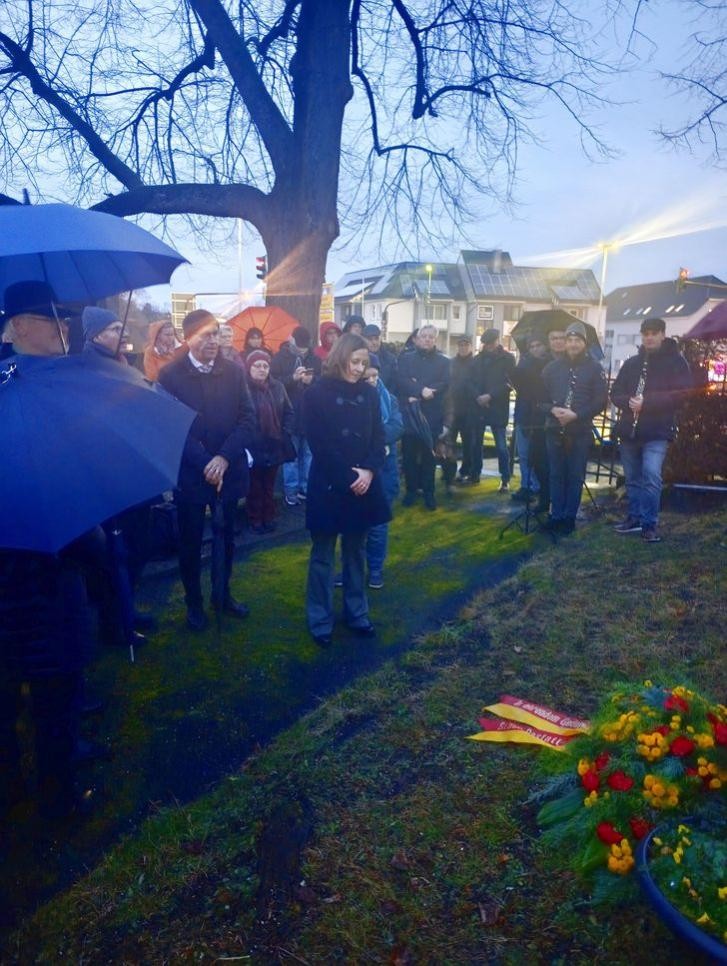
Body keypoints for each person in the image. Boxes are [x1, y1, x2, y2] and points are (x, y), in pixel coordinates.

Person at [158, 309, 255, 631]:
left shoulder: (234, 371)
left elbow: (247, 418)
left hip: (228, 470)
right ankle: (194, 603)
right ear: (188, 339)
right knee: (190, 541)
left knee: (226, 538)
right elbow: (171, 429)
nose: (213, 341)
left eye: (216, 333)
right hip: (192, 473)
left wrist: (224, 458)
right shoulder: (170, 375)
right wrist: (204, 461)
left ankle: (223, 594)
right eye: (205, 335)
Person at [303, 334, 389, 647]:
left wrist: (368, 470)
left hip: (363, 484)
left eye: (364, 363)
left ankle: (357, 613)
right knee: (323, 556)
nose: (359, 369)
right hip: (329, 484)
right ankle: (320, 619)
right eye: (355, 362)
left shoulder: (369, 393)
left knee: (356, 552)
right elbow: (319, 444)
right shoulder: (315, 394)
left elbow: (379, 438)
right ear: (340, 359)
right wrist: (347, 477)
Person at [610, 318, 692, 543]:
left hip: (657, 431)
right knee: (632, 479)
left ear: (663, 334)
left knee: (652, 477)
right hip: (629, 431)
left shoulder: (677, 362)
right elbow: (615, 392)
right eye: (645, 333)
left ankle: (649, 524)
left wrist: (648, 403)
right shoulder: (632, 363)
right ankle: (634, 518)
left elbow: (683, 395)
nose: (649, 337)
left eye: (654, 333)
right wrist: (629, 402)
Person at [541, 321, 608, 535]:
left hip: (579, 431)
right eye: (569, 340)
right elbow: (537, 398)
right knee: (556, 475)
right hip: (554, 429)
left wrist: (577, 415)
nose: (572, 344)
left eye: (577, 340)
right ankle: (556, 515)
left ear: (584, 343)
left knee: (575, 475)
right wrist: (552, 410)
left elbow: (600, 401)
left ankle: (569, 517)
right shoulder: (551, 368)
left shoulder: (594, 367)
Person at [397, 324, 450, 510]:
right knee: (409, 456)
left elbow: (444, 383)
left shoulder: (444, 362)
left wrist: (421, 388)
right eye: (424, 336)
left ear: (435, 340)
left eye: (431, 337)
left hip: (432, 416)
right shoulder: (405, 359)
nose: (427, 339)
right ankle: (411, 491)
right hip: (410, 415)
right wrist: (421, 390)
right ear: (417, 339)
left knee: (429, 457)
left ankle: (429, 493)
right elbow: (401, 381)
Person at [244, 349, 295, 534]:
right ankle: (255, 518)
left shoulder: (278, 387)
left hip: (274, 443)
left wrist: (284, 432)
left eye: (265, 366)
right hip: (253, 444)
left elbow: (289, 412)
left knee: (269, 485)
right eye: (257, 365)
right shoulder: (242, 388)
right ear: (249, 367)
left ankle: (269, 516)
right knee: (254, 485)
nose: (261, 369)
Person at [270, 326, 321, 506]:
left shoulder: (315, 359)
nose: (302, 350)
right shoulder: (279, 358)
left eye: (305, 347)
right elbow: (273, 384)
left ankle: (305, 488)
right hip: (289, 414)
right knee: (290, 456)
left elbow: (324, 383)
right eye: (299, 346)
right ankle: (290, 490)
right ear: (291, 340)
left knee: (308, 454)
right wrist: (293, 378)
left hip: (310, 415)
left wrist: (312, 380)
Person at [364, 363, 403, 588]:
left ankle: (376, 569)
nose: (372, 381)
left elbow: (397, 426)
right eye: (367, 377)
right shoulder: (356, 399)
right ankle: (353, 568)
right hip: (361, 468)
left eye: (375, 376)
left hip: (384, 469)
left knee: (378, 524)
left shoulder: (390, 399)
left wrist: (373, 440)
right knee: (354, 526)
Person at [470, 328, 515, 491]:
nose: (489, 346)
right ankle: (475, 474)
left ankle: (505, 479)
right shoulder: (477, 360)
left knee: (501, 446)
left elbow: (510, 383)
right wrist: (478, 397)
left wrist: (490, 396)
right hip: (480, 406)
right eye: (486, 344)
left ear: (498, 340)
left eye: (491, 343)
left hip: (497, 406)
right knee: (476, 444)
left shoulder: (508, 359)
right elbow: (470, 381)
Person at [510, 333, 550, 506]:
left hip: (541, 416)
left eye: (538, 345)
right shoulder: (524, 363)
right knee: (524, 454)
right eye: (531, 346)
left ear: (545, 346)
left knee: (539, 456)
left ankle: (539, 486)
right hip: (523, 413)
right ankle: (526, 485)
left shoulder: (550, 364)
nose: (535, 349)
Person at [0, 280, 68, 363]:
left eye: (65, 321)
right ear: (19, 325)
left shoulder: (75, 370)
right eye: (52, 320)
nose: (65, 329)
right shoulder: (6, 374)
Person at [448, 336, 476, 484]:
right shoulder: (451, 363)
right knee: (450, 442)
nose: (463, 348)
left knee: (468, 444)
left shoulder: (476, 363)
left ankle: (466, 470)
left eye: (466, 345)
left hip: (469, 411)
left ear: (471, 346)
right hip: (453, 409)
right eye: (461, 345)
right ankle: (450, 472)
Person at [362, 323, 398, 392]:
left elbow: (394, 384)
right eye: (370, 339)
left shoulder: (390, 359)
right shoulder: (358, 359)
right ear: (363, 339)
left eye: (376, 338)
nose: (374, 342)